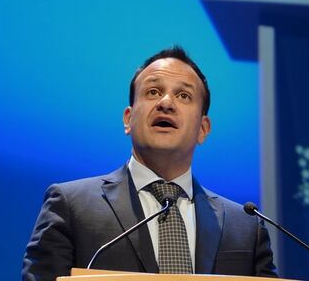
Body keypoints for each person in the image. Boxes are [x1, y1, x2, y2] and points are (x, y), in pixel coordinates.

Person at [22, 46, 277, 280]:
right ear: (128, 118)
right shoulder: (71, 206)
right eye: (153, 92)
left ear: (203, 128)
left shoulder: (245, 226)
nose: (166, 103)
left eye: (184, 95)